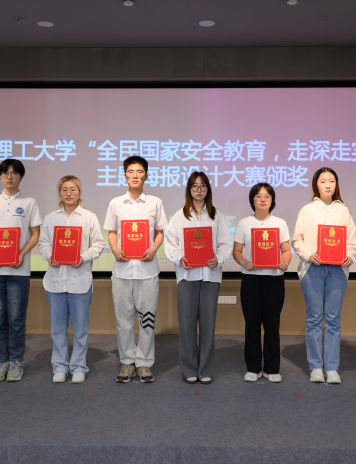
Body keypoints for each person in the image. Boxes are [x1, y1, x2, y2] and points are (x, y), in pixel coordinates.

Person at [164, 172, 233, 384]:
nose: (199, 190)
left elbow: (226, 244)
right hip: (187, 275)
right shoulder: (179, 216)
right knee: (186, 325)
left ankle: (205, 369)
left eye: (203, 186)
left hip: (210, 276)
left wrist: (218, 258)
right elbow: (170, 243)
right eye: (195, 186)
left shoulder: (216, 215)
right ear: (189, 190)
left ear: (208, 189)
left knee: (208, 325)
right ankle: (188, 369)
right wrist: (180, 258)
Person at [104, 156, 168, 383]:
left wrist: (153, 249)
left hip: (147, 270)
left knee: (147, 320)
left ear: (146, 176)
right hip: (122, 271)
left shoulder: (155, 203)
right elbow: (112, 232)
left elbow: (160, 232)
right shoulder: (116, 203)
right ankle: (127, 362)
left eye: (139, 172)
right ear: (125, 176)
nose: (135, 175)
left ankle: (144, 363)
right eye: (131, 171)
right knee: (123, 321)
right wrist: (114, 249)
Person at [0, 159, 42, 382]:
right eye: (5, 173)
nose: (9, 176)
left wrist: (22, 253)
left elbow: (35, 233)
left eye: (14, 173)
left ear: (21, 176)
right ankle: (1, 361)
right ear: (0, 176)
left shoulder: (30, 202)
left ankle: (15, 362)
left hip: (18, 271)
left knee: (16, 319)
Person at [291, 167, 356, 384]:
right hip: (313, 269)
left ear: (336, 184)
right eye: (323, 181)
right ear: (316, 185)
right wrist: (308, 254)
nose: (328, 185)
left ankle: (332, 367)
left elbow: (352, 241)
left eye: (331, 181)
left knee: (333, 319)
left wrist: (350, 255)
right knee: (313, 319)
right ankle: (316, 367)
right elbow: (297, 240)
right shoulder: (307, 210)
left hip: (337, 269)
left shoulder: (343, 210)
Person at [38, 175, 104, 384]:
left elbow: (98, 244)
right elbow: (43, 243)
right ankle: (59, 366)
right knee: (57, 329)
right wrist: (50, 256)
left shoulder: (89, 217)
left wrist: (83, 257)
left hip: (80, 281)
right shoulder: (51, 218)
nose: (69, 193)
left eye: (73, 189)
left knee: (80, 329)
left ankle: (78, 367)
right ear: (59, 193)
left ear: (79, 192)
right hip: (55, 282)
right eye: (64, 190)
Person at [232, 183, 292, 383]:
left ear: (272, 200)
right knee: (252, 325)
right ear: (252, 200)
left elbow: (286, 250)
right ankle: (253, 367)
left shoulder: (280, 223)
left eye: (267, 196)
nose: (263, 199)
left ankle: (272, 368)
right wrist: (244, 263)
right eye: (258, 196)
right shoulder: (244, 223)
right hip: (251, 279)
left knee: (272, 324)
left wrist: (285, 263)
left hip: (274, 279)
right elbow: (237, 251)